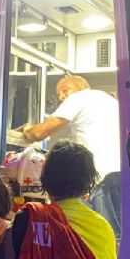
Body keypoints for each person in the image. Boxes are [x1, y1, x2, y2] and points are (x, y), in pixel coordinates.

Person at [17, 75, 121, 237]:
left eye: (64, 92)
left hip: (102, 176)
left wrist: (26, 130)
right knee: (116, 234)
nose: (62, 98)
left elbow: (39, 133)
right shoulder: (111, 102)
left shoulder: (79, 98)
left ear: (78, 87)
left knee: (100, 233)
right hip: (122, 175)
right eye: (59, 96)